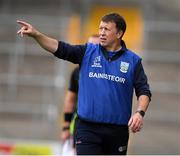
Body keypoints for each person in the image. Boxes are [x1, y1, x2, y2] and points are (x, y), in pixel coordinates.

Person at [17, 13, 151, 155]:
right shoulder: (87, 52)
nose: (101, 33)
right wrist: (37, 35)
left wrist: (139, 113)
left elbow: (144, 91)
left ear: (119, 33)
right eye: (100, 29)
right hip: (87, 129)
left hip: (117, 132)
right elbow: (59, 48)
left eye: (106, 29)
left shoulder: (133, 61)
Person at [61, 34, 99, 155]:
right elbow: (70, 100)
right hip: (80, 125)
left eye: (96, 45)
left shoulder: (110, 73)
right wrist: (66, 127)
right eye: (89, 45)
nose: (92, 48)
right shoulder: (77, 72)